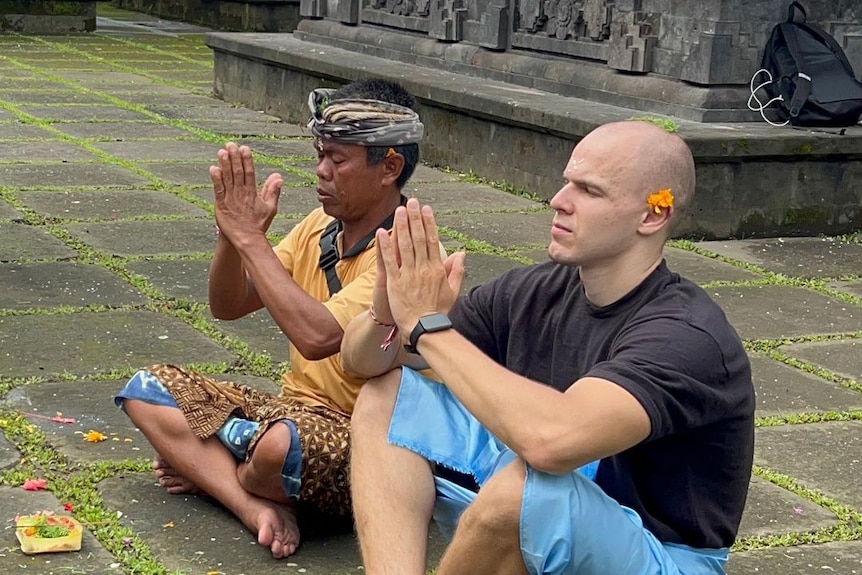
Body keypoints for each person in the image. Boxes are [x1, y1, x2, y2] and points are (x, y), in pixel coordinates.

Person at [340, 120, 755, 575]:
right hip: (565, 506)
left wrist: (427, 327)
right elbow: (361, 363)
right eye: (565, 183)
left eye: (589, 191)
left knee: (521, 492)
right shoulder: (536, 290)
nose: (559, 201)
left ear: (652, 215)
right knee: (388, 397)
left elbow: (551, 441)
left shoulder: (687, 335)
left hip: (660, 556)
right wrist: (388, 315)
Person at [114, 78, 424, 559]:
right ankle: (253, 502)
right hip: (288, 409)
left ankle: (217, 469)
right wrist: (233, 237)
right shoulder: (318, 228)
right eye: (320, 154)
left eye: (337, 160)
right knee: (146, 390)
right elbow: (229, 304)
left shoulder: (409, 249)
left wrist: (251, 241)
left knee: (280, 447)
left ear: (390, 167)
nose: (320, 171)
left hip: (361, 436)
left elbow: (319, 336)